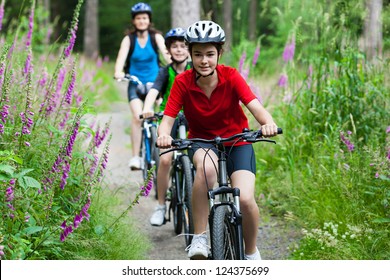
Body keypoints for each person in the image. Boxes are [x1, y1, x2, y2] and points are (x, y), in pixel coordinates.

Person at [156, 20, 279, 260]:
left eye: (210, 54)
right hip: (202, 142)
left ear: (219, 53)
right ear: (190, 54)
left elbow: (255, 106)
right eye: (198, 54)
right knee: (204, 171)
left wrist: (267, 123)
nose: (204, 60)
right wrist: (163, 135)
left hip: (238, 141)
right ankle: (199, 237)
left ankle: (251, 252)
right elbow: (169, 117)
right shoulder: (182, 82)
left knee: (244, 198)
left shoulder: (232, 77)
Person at [141, 27, 191, 226]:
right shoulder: (165, 71)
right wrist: (147, 108)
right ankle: (161, 206)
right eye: (174, 46)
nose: (179, 50)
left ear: (189, 49)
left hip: (191, 118)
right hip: (167, 117)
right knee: (165, 160)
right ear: (168, 50)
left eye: (183, 46)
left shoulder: (194, 70)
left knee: (201, 157)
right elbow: (154, 91)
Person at [114, 2, 171, 170]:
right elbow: (120, 59)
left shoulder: (156, 37)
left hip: (155, 83)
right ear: (134, 21)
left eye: (144, 18)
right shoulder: (128, 39)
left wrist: (176, 65)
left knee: (160, 114)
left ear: (149, 20)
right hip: (135, 84)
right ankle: (135, 157)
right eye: (138, 18)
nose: (141, 21)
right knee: (137, 117)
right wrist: (118, 72)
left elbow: (167, 55)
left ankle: (165, 150)